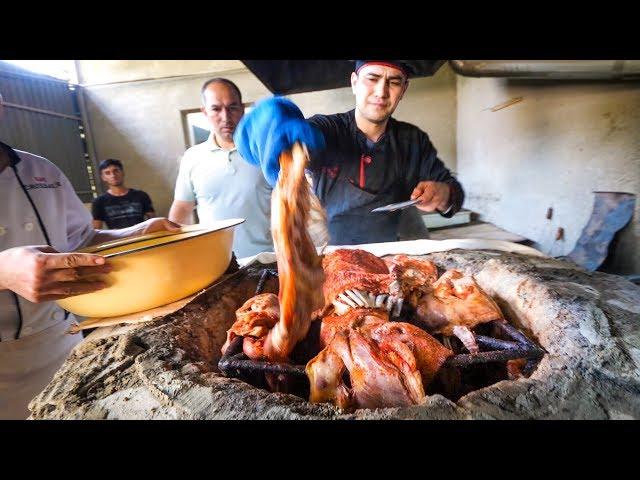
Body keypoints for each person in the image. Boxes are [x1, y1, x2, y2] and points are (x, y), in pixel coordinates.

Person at [0, 93, 180, 419]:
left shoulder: (42, 171)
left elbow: (83, 238)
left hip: (63, 344)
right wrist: (4, 272)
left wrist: (139, 230)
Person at [235, 60, 465, 245]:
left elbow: (454, 192)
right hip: (339, 254)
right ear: (354, 82)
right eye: (372, 79)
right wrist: (270, 129)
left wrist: (442, 194)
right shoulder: (326, 130)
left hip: (401, 248)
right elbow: (297, 142)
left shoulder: (413, 140)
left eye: (393, 82)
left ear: (403, 89)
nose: (381, 92)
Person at [168, 78, 273, 258]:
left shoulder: (265, 151)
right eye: (216, 109)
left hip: (268, 259)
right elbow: (182, 209)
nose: (225, 117)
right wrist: (173, 252)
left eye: (232, 107)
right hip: (215, 264)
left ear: (242, 109)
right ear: (204, 112)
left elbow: (292, 202)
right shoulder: (192, 157)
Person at [92, 158, 156, 229]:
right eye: (107, 173)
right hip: (118, 239)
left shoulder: (141, 195)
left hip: (142, 237)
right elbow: (97, 230)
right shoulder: (99, 202)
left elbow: (153, 221)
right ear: (103, 178)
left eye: (116, 171)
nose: (113, 175)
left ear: (122, 172)